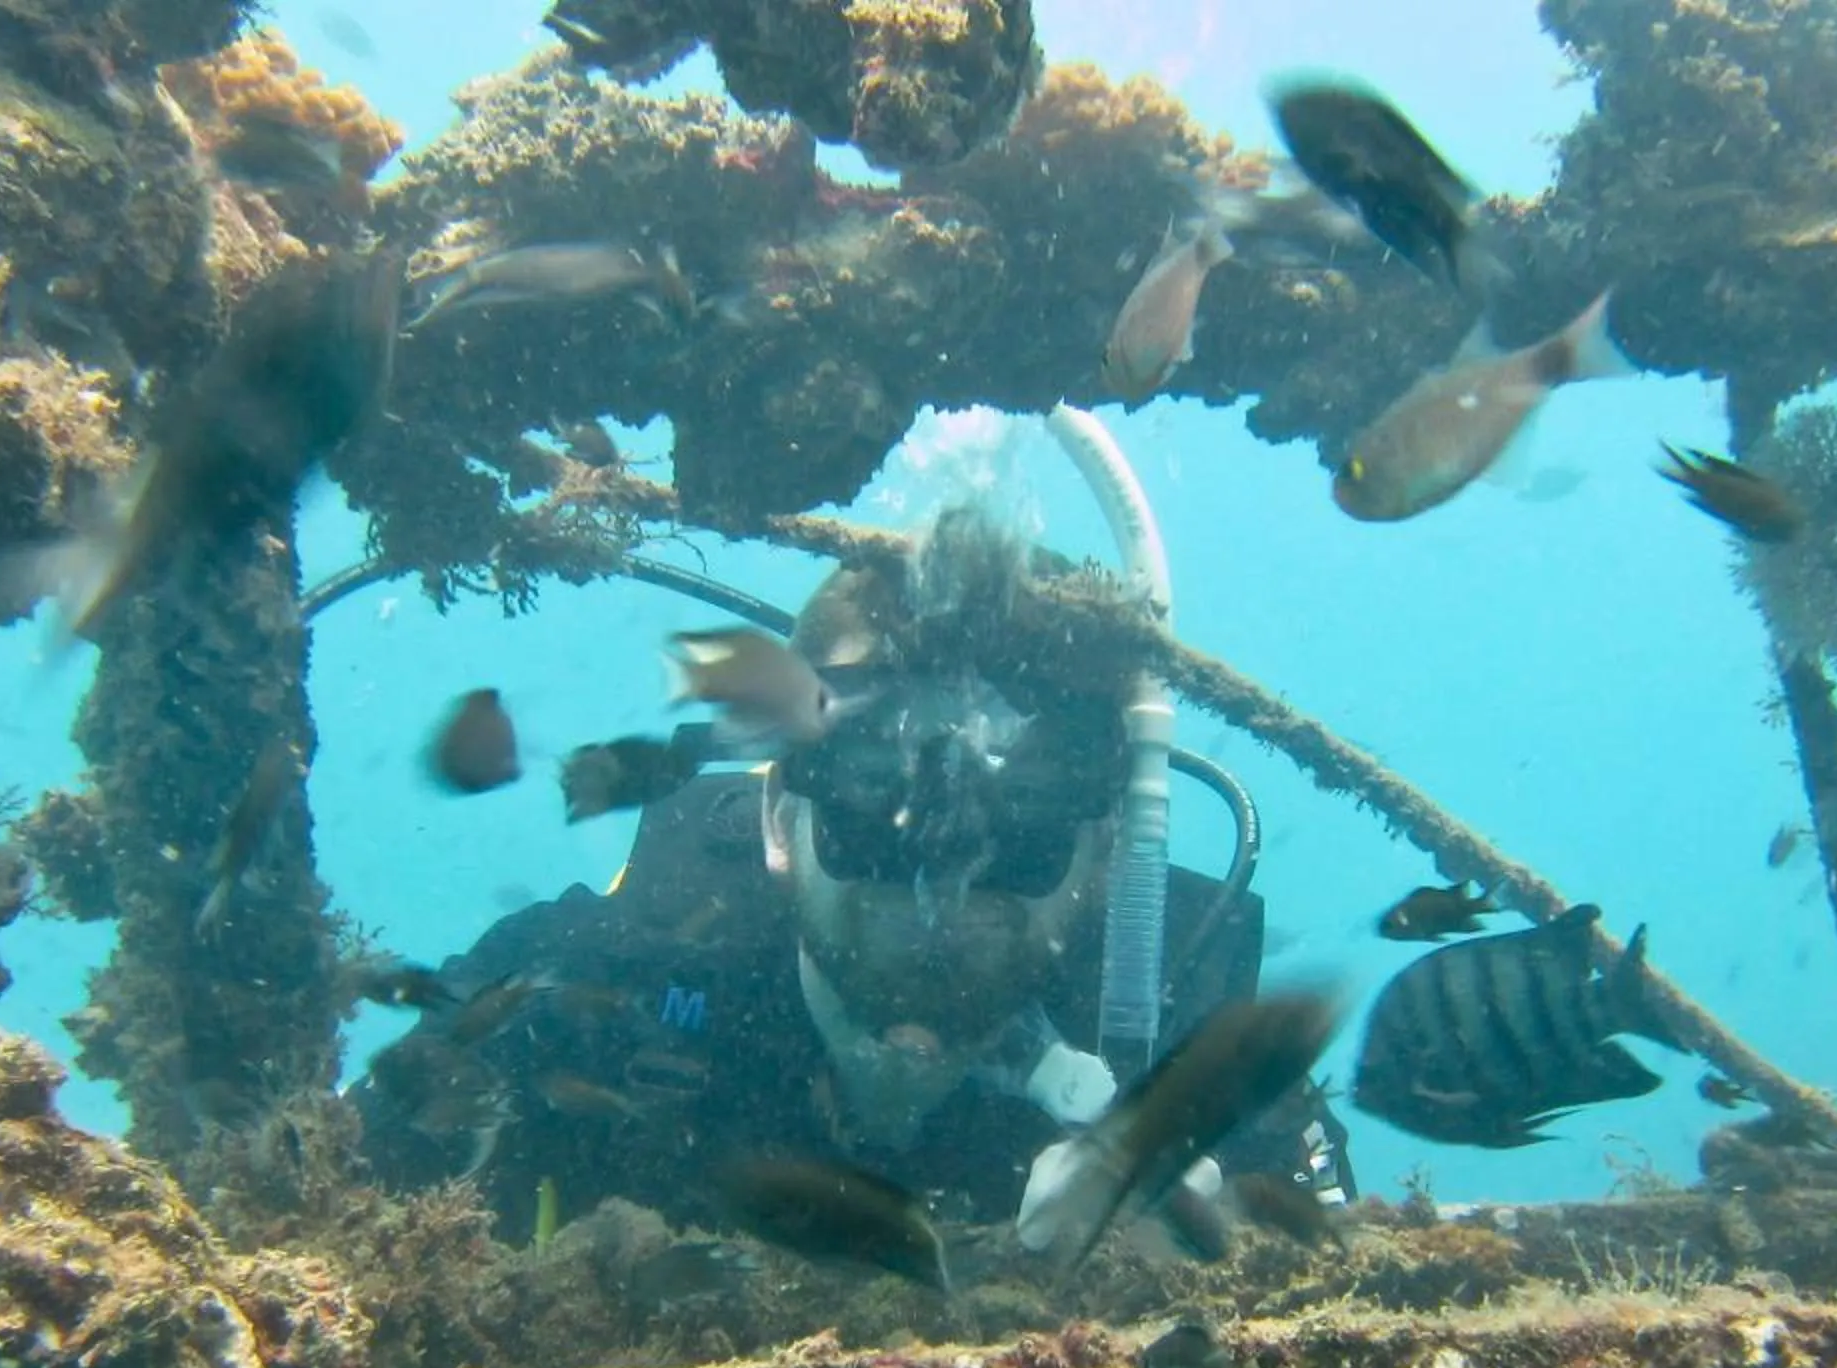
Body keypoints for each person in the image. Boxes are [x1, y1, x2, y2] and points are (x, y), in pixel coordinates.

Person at [349, 508, 1354, 1245]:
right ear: (778, 816)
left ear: (1107, 848)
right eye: (874, 785)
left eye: (1030, 808)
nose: (945, 871)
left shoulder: (1198, 1053)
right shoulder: (593, 983)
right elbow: (342, 1174)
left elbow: (1342, 1275)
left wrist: (1226, 1258)